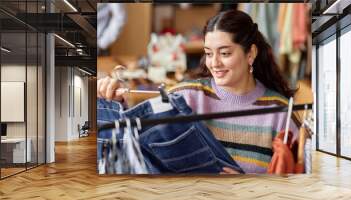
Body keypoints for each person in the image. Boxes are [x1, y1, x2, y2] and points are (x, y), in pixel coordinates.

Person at [97, 10, 300, 174]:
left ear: (251, 54)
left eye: (225, 53)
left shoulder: (281, 114)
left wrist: (248, 188)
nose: (214, 63)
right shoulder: (186, 97)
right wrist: (116, 102)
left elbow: (297, 191)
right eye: (209, 54)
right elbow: (132, 140)